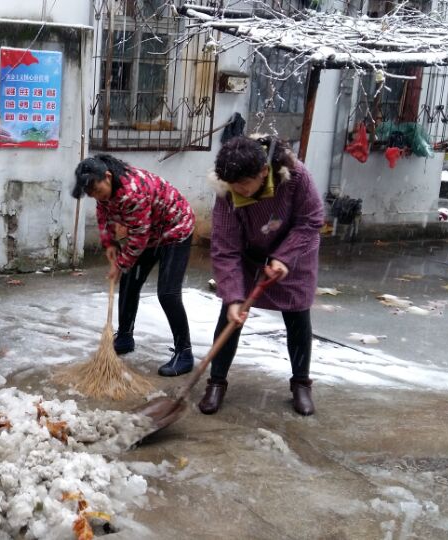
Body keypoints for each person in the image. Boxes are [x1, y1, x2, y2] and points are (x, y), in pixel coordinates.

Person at [203, 135, 324, 416]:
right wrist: (233, 296)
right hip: (248, 254)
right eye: (234, 187)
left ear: (264, 172)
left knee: (297, 315)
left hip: (293, 251)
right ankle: (216, 382)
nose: (240, 192)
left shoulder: (295, 176)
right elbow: (225, 246)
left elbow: (311, 220)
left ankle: (301, 384)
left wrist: (284, 257)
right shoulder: (227, 190)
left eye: (245, 185)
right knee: (229, 316)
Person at [72, 154, 196, 377]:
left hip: (176, 229)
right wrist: (108, 242)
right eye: (92, 195)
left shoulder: (132, 193)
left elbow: (138, 238)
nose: (97, 196)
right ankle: (125, 336)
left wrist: (119, 264)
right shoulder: (104, 189)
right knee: (130, 281)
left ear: (107, 177)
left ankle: (184, 352)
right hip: (151, 230)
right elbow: (103, 212)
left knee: (168, 293)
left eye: (98, 191)